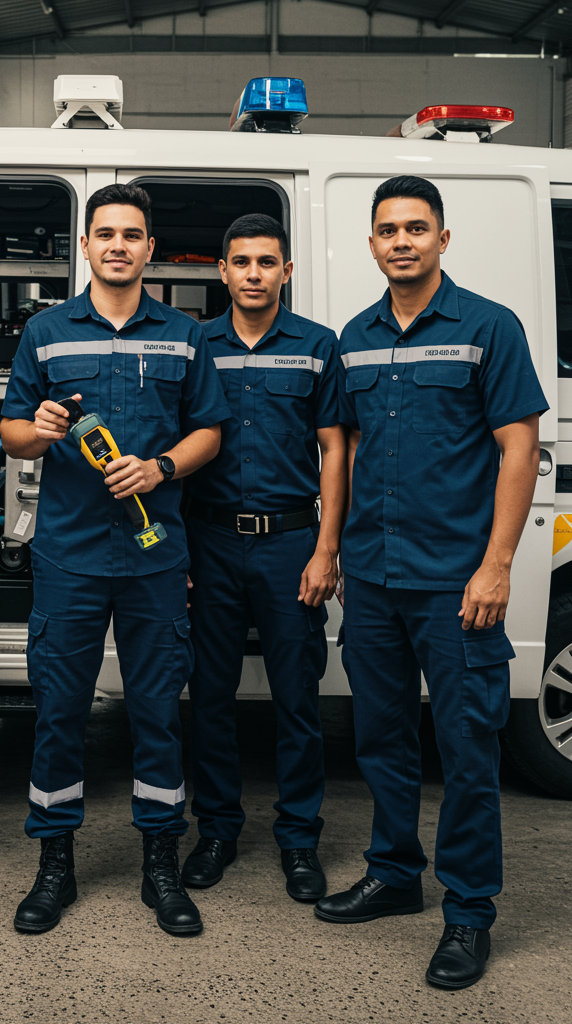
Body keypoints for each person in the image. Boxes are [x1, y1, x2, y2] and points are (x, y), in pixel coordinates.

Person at [314, 175, 547, 990]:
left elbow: (520, 447)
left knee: (467, 747)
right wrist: (336, 550)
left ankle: (469, 911)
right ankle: (394, 873)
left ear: (443, 240)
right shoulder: (355, 336)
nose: (402, 241)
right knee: (380, 739)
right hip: (374, 579)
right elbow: (344, 448)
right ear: (372, 244)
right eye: (388, 230)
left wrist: (497, 564)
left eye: (417, 228)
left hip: (457, 582)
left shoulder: (489, 326)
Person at [0, 183, 229, 937]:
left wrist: (160, 469)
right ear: (86, 245)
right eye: (106, 234)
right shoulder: (46, 331)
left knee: (158, 712)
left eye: (132, 235)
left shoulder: (185, 335)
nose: (118, 246)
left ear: (149, 248)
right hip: (68, 555)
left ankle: (161, 865)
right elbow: (10, 432)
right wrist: (38, 428)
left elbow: (209, 432)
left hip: (153, 557)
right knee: (59, 712)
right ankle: (54, 866)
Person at [181, 214, 346, 900]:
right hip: (210, 542)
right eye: (242, 262)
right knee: (209, 697)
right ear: (222, 271)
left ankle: (299, 840)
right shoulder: (194, 343)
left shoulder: (317, 345)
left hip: (290, 545)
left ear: (287, 271)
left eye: (267, 262)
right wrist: (181, 553)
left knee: (297, 699)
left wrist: (327, 548)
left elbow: (335, 448)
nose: (254, 274)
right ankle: (216, 830)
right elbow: (179, 445)